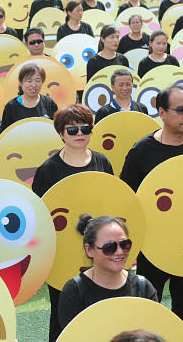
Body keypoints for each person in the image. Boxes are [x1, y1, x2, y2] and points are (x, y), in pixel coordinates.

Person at [120, 84, 183, 330]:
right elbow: (126, 197)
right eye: (181, 110)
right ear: (161, 112)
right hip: (153, 243)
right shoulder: (141, 150)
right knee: (150, 306)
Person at [32, 103, 113, 342]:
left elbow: (113, 201)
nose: (80, 134)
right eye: (72, 130)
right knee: (62, 313)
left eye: (85, 129)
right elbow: (40, 213)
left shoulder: (102, 162)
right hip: (62, 252)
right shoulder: (48, 169)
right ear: (60, 133)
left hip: (100, 249)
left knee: (101, 310)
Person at [58, 214, 157, 330]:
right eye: (109, 247)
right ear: (89, 250)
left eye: (125, 244)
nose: (119, 252)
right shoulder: (75, 292)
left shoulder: (143, 287)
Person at [0, 63, 58, 134]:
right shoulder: (11, 106)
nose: (33, 85)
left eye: (38, 80)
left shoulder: (49, 103)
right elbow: (3, 134)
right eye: (29, 81)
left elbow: (59, 130)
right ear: (20, 82)